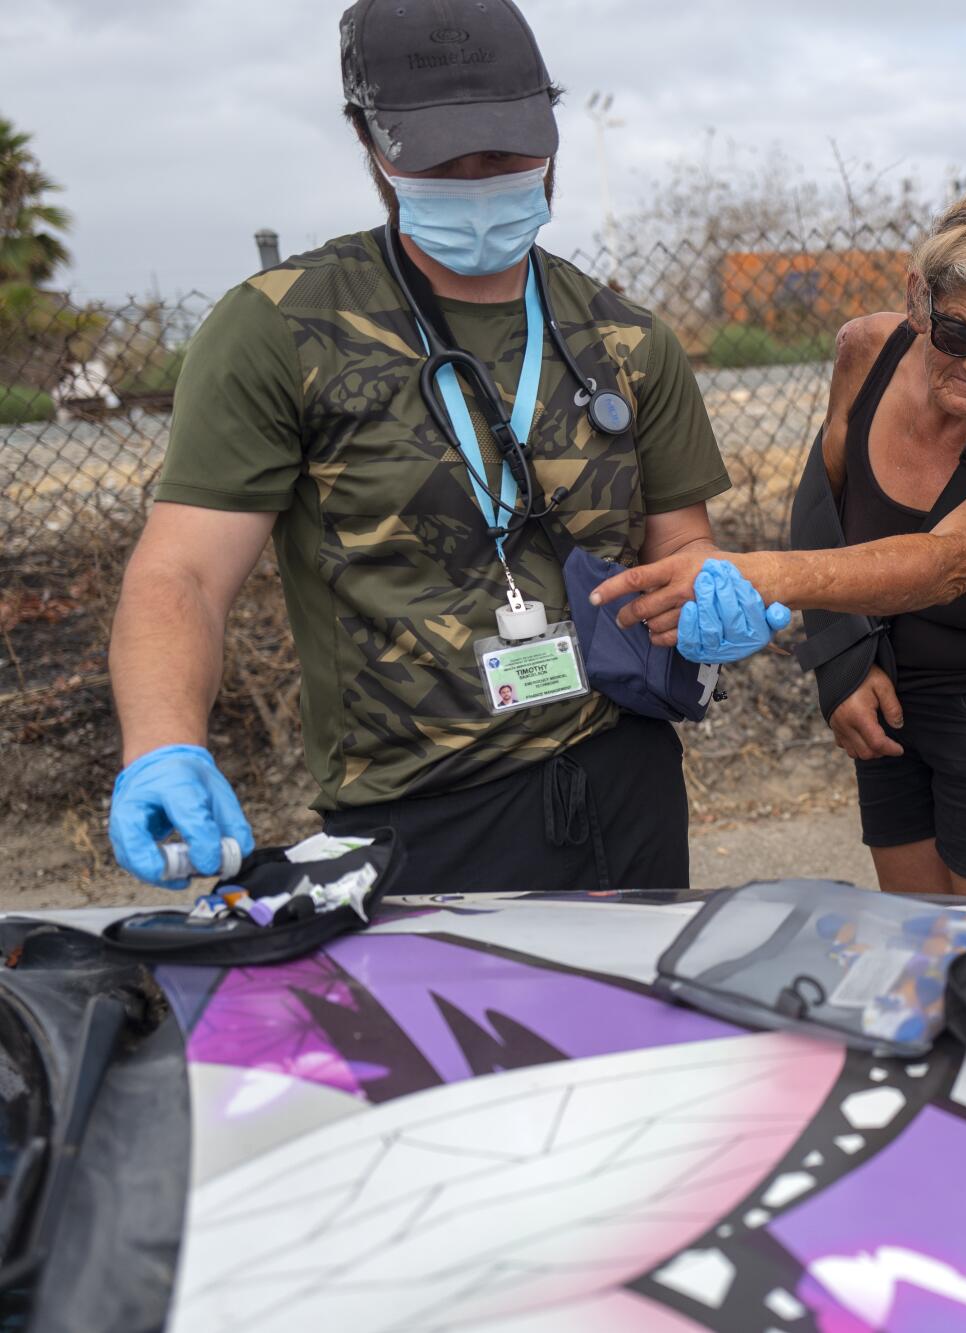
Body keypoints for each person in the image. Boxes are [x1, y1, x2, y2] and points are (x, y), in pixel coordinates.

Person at [105, 0, 732, 894]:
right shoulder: (282, 330)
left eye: (510, 147)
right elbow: (183, 575)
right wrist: (163, 745)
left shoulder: (627, 339)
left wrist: (715, 588)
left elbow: (682, 544)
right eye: (442, 155)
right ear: (369, 142)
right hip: (417, 819)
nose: (481, 175)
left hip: (623, 778)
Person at [591, 185, 966, 906]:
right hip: (888, 693)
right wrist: (841, 660)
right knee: (913, 936)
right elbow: (823, 490)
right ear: (919, 298)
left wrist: (754, 574)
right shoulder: (867, 348)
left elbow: (946, 561)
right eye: (961, 335)